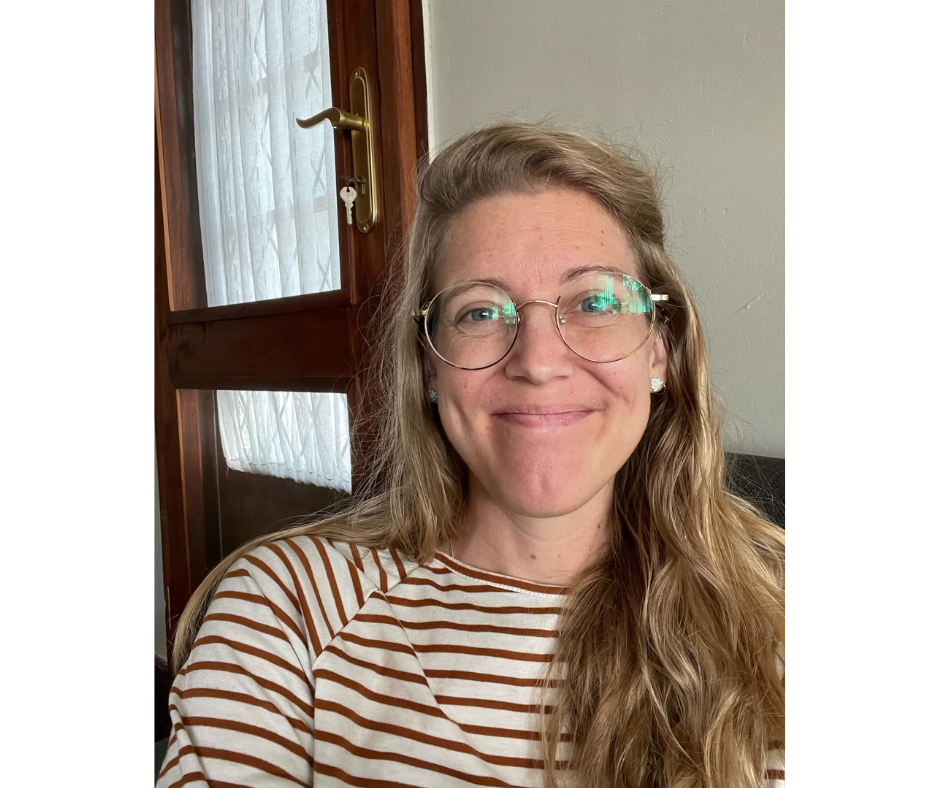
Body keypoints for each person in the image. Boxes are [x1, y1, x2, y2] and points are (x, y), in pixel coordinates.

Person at [157, 122, 784, 788]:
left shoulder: (774, 612)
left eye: (594, 301)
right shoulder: (288, 609)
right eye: (481, 312)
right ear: (428, 367)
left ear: (658, 351)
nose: (539, 362)